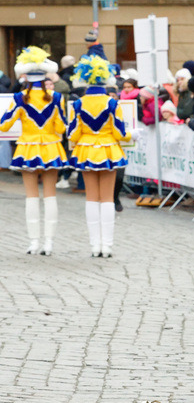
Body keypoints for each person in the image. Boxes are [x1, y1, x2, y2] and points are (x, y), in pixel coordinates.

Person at [0, 46, 67, 255]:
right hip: (51, 148)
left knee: (31, 196)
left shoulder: (20, 98)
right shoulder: (57, 98)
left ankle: (33, 242)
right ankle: (49, 243)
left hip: (28, 148)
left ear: (25, 76)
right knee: (50, 195)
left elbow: (4, 124)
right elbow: (62, 127)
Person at [67, 52, 131, 257]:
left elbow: (72, 133)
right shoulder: (112, 103)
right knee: (107, 199)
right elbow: (120, 133)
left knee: (91, 198)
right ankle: (107, 246)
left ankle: (95, 246)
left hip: (86, 150)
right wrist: (133, 135)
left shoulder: (77, 104)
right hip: (108, 150)